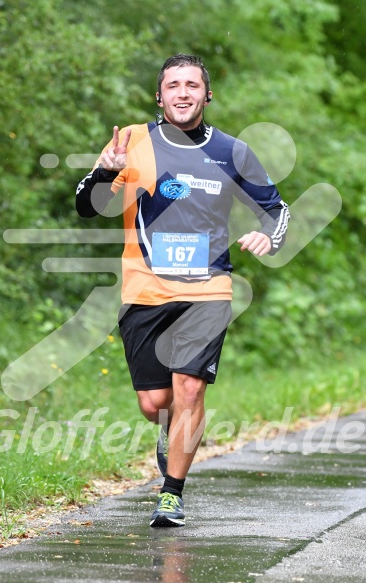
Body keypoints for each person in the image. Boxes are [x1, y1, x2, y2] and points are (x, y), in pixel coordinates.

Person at [76, 54, 290, 527]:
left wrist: (268, 236)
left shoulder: (233, 152)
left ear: (206, 95)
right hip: (145, 287)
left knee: (189, 386)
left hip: (208, 288)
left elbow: (277, 211)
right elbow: (87, 207)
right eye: (173, 85)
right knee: (155, 402)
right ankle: (170, 428)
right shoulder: (129, 142)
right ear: (160, 96)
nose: (183, 92)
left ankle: (171, 493)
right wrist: (106, 172)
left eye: (192, 84)